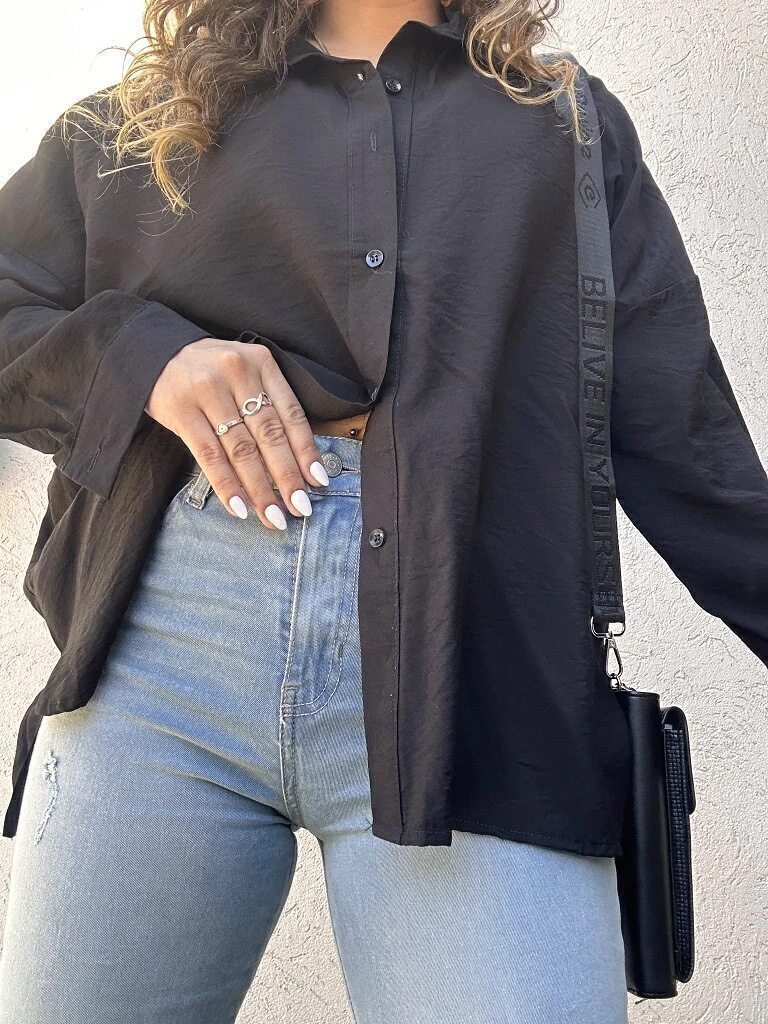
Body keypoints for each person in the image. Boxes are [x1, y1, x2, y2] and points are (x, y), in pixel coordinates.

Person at [1, 1, 767, 1022]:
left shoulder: (566, 128)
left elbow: (690, 445)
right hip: (165, 665)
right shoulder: (147, 119)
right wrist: (146, 358)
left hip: (472, 681)